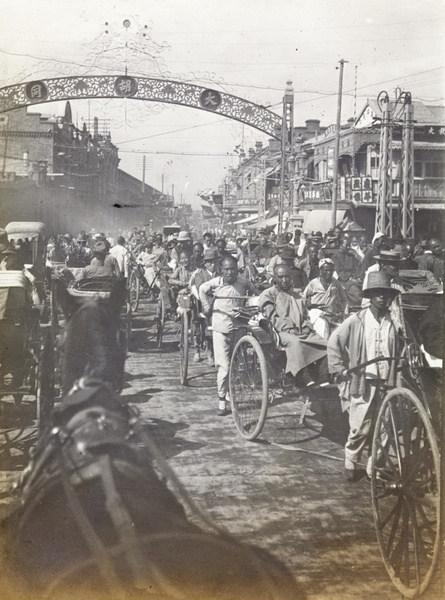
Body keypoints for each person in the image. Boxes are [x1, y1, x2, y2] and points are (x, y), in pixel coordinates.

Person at [327, 271, 401, 482]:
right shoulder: (357, 320)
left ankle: (374, 467)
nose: (382, 298)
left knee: (385, 426)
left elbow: (401, 345)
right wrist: (338, 367)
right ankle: (351, 460)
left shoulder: (393, 321)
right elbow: (335, 342)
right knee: (360, 426)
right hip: (363, 380)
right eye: (378, 294)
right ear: (370, 296)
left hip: (387, 380)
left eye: (385, 294)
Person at [199, 255, 255, 416]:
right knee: (224, 366)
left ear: (237, 269)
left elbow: (252, 292)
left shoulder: (243, 282)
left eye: (233, 269)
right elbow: (202, 290)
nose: (230, 272)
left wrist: (248, 307)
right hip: (220, 328)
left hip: (238, 328)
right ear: (221, 270)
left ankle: (230, 391)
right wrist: (207, 306)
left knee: (235, 364)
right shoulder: (215, 283)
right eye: (227, 269)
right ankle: (222, 400)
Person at [258, 264, 328, 389]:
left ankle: (323, 378)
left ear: (291, 278)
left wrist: (306, 326)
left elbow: (305, 316)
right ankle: (307, 379)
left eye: (286, 277)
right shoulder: (268, 294)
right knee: (296, 343)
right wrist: (289, 328)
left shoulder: (297, 296)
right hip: (280, 332)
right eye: (280, 277)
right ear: (274, 278)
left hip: (301, 330)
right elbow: (272, 318)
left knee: (323, 343)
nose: (284, 280)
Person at [303, 258, 348, 339]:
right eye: (326, 270)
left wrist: (344, 311)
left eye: (331, 270)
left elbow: (344, 299)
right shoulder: (314, 283)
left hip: (332, 314)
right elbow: (303, 298)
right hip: (317, 314)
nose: (329, 272)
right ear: (320, 270)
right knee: (323, 331)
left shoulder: (336, 283)